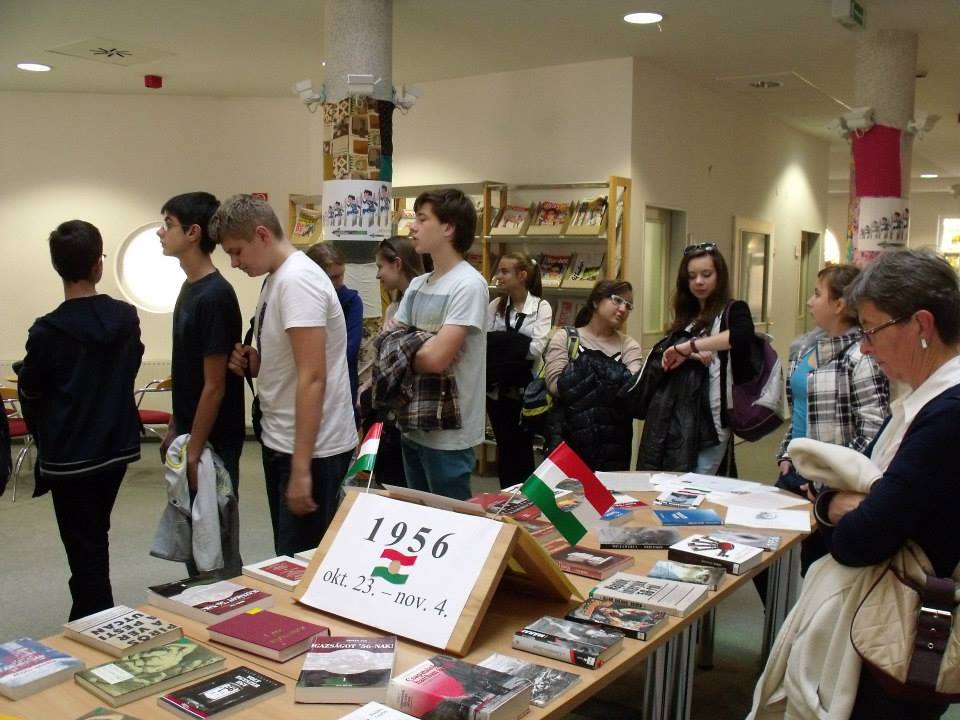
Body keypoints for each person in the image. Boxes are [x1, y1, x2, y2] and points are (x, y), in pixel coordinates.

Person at [749, 249, 960, 719]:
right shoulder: (922, 403)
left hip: (896, 636)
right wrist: (837, 503)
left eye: (871, 330)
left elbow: (859, 541)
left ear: (922, 325)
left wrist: (831, 507)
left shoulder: (946, 415)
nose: (864, 347)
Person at [210, 194, 356, 557]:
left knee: (302, 563)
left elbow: (313, 377)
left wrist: (302, 467)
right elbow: (290, 362)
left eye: (237, 251)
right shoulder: (276, 278)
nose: (234, 263)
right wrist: (255, 362)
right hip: (284, 439)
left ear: (262, 234)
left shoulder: (298, 281)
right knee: (288, 558)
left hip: (311, 449)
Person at [17, 220, 143, 620]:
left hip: (70, 456)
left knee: (84, 546)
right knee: (92, 537)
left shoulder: (47, 330)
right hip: (116, 449)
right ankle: (89, 614)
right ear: (97, 265)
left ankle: (96, 620)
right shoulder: (126, 317)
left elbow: (31, 389)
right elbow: (130, 365)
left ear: (57, 267)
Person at [774, 264, 889, 573]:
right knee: (767, 557)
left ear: (839, 305)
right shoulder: (805, 350)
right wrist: (787, 453)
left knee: (815, 566)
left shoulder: (861, 358)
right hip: (795, 471)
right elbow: (799, 411)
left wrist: (829, 476)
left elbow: (874, 428)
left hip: (829, 483)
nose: (810, 302)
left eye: (817, 294)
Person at [157, 192, 245, 575]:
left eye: (168, 224)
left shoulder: (215, 296)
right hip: (192, 432)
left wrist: (194, 452)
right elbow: (188, 370)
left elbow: (215, 385)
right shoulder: (190, 288)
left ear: (193, 232)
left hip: (214, 440)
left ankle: (227, 603)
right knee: (195, 537)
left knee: (215, 540)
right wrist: (176, 425)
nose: (161, 232)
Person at [391, 189, 488, 500]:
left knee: (450, 518)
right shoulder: (418, 284)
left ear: (448, 228)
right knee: (417, 514)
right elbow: (386, 347)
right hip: (412, 419)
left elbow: (435, 360)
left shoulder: (468, 284)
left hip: (449, 430)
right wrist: (426, 343)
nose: (413, 227)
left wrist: (409, 346)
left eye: (422, 219)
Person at [642, 242, 754, 475]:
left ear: (719, 276)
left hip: (713, 419)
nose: (699, 282)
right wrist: (688, 353)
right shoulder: (687, 316)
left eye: (706, 274)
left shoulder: (733, 310)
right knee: (671, 481)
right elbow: (667, 355)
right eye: (692, 276)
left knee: (696, 483)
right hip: (679, 417)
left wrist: (690, 346)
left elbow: (741, 335)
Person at [543, 279, 642, 471]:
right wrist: (612, 376)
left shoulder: (629, 346)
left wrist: (584, 369)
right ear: (596, 301)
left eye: (628, 305)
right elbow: (556, 386)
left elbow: (630, 392)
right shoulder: (567, 338)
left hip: (613, 447)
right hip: (568, 442)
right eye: (617, 300)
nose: (623, 309)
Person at [356, 236, 425, 488]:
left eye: (380, 267)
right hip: (392, 414)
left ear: (397, 264)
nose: (377, 275)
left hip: (414, 409)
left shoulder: (423, 306)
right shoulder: (393, 308)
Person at [486, 252, 552, 488]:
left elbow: (535, 349)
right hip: (496, 391)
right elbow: (486, 344)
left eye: (505, 271)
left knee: (522, 449)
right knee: (504, 448)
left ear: (522, 275)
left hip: (525, 392)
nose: (498, 276)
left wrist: (503, 343)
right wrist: (516, 344)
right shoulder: (495, 306)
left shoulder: (541, 307)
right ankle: (506, 496)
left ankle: (526, 499)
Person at [305, 242, 363, 416]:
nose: (339, 283)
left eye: (341, 275)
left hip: (340, 384)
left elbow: (349, 350)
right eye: (333, 278)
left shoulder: (351, 301)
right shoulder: (304, 299)